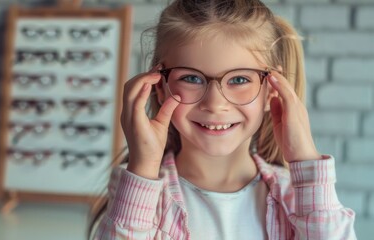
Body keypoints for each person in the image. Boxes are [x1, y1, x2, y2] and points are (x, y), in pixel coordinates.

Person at [89, 0, 357, 239]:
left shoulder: (297, 197)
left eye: (239, 79)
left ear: (272, 89)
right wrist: (143, 165)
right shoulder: (139, 188)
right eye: (191, 78)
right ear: (160, 86)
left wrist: (306, 161)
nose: (215, 104)